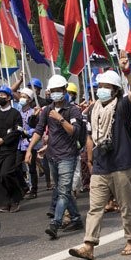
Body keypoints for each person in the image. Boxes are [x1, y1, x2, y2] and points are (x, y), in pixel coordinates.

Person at [69, 55, 131, 260]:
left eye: (106, 86)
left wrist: (127, 73)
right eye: (100, 85)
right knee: (95, 208)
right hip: (100, 165)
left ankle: (130, 239)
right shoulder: (93, 110)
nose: (101, 89)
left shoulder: (123, 106)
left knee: (125, 206)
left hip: (120, 164)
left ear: (115, 89)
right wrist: (90, 160)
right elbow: (91, 136)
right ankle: (88, 246)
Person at [26, 74, 84, 239]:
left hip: (68, 156)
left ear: (65, 90)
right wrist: (30, 149)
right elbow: (38, 129)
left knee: (64, 191)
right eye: (53, 91)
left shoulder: (73, 110)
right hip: (52, 156)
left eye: (59, 90)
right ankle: (76, 218)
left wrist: (60, 120)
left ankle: (55, 223)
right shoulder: (47, 110)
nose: (56, 94)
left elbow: (75, 132)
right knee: (61, 190)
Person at [0, 86, 23, 213]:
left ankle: (15, 199)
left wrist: (4, 139)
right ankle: (5, 202)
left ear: (9, 97)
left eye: (3, 95)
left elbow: (17, 131)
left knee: (6, 174)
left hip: (9, 150)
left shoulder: (15, 113)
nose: (0, 98)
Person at [18, 88, 42, 199]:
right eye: (21, 96)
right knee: (16, 167)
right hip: (19, 143)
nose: (22, 99)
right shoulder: (17, 111)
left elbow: (37, 127)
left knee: (31, 168)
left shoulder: (34, 112)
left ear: (30, 100)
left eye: (25, 97)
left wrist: (28, 132)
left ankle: (34, 189)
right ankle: (23, 187)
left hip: (29, 142)